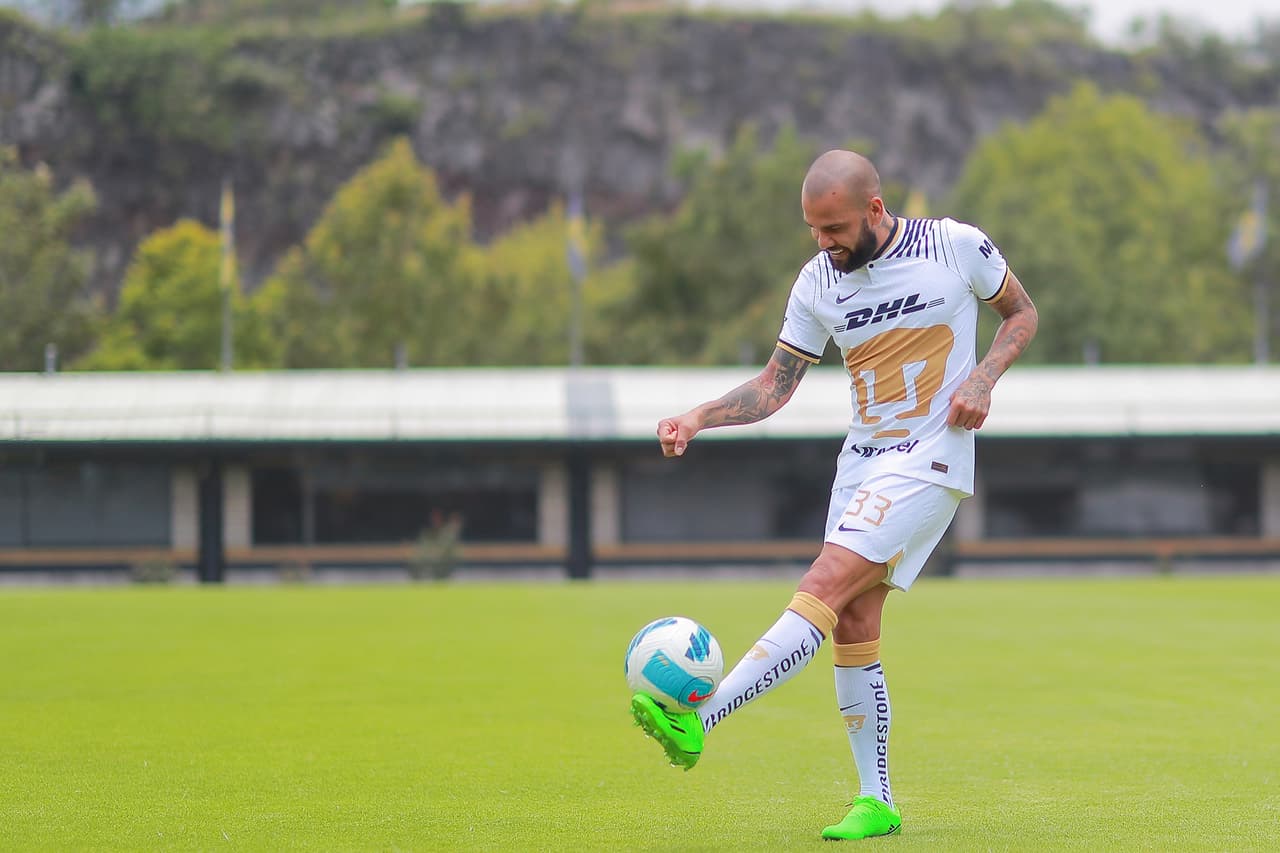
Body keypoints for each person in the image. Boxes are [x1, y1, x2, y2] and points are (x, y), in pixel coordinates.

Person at [630, 149, 1038, 840]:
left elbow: (1021, 314)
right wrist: (698, 415)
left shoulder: (955, 245)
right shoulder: (818, 281)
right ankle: (875, 799)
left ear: (875, 210)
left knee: (821, 584)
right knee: (851, 622)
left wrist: (983, 379)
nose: (824, 243)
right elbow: (775, 384)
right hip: (861, 463)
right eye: (814, 229)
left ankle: (703, 717)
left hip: (930, 457)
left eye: (835, 228)